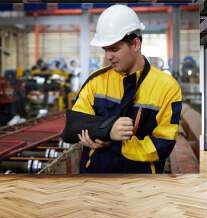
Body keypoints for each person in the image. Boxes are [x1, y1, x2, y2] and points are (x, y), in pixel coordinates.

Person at [64, 4, 182, 174]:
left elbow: (163, 144)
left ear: (135, 44)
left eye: (114, 49)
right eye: (105, 49)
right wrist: (108, 130)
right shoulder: (96, 81)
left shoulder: (167, 88)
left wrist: (116, 143)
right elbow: (74, 126)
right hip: (96, 178)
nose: (108, 56)